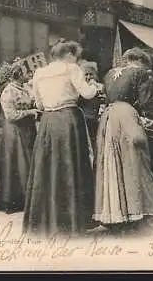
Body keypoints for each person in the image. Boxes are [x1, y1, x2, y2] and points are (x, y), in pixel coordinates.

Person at [23, 39, 103, 236]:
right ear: (69, 55)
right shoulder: (71, 68)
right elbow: (88, 93)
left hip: (48, 122)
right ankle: (73, 221)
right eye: (75, 55)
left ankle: (46, 221)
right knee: (71, 166)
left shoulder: (39, 73)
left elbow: (39, 105)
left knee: (48, 168)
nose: (76, 59)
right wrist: (94, 85)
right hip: (68, 120)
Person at [93, 47, 153, 232]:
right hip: (127, 116)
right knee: (134, 161)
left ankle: (113, 213)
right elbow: (144, 102)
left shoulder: (110, 73)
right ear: (142, 62)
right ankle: (136, 212)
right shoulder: (141, 73)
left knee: (111, 163)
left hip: (108, 116)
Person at [0, 64, 37, 214]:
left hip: (27, 130)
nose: (29, 74)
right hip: (15, 132)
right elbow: (11, 115)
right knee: (18, 163)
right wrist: (30, 112)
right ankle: (14, 201)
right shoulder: (9, 91)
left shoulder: (25, 88)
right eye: (26, 72)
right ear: (19, 74)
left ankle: (27, 199)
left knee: (27, 162)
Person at [78, 61, 104, 149]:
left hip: (95, 120)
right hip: (84, 120)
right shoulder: (80, 88)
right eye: (86, 74)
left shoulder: (99, 86)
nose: (88, 77)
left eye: (91, 74)